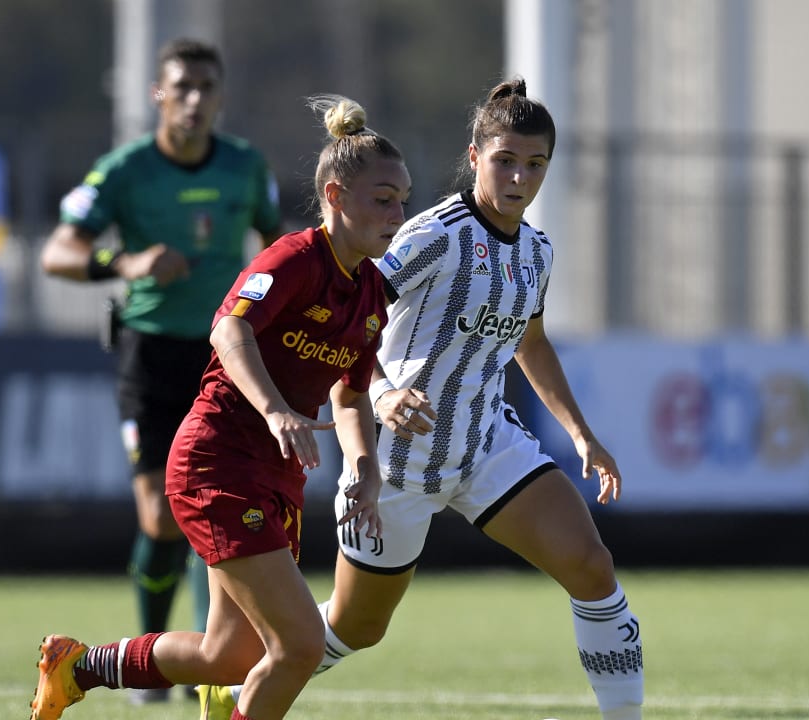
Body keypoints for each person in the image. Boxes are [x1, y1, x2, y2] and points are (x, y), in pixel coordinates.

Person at [205, 78, 645, 720]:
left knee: (591, 566)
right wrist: (379, 393)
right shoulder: (431, 235)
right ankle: (247, 681)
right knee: (358, 627)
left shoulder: (537, 251)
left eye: (535, 164)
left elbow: (532, 341)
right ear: (474, 156)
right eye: (505, 160)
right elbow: (347, 314)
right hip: (397, 462)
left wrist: (580, 433)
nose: (520, 177)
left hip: (487, 444)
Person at [29, 95, 410, 720]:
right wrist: (276, 409)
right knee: (299, 645)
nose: (399, 213)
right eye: (383, 199)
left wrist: (363, 466)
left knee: (229, 655)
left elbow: (350, 391)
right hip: (218, 463)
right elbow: (228, 330)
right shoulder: (292, 258)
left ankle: (78, 666)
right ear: (336, 197)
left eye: (402, 197)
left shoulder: (370, 291)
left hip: (273, 475)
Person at [39, 37, 282, 704]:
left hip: (223, 356)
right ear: (159, 95)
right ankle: (149, 668)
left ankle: (208, 663)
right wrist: (126, 263)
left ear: (220, 96)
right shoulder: (125, 170)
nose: (196, 99)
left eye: (207, 87)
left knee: (220, 509)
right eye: (183, 87)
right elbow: (57, 253)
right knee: (160, 518)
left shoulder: (245, 166)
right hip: (149, 355)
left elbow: (278, 243)